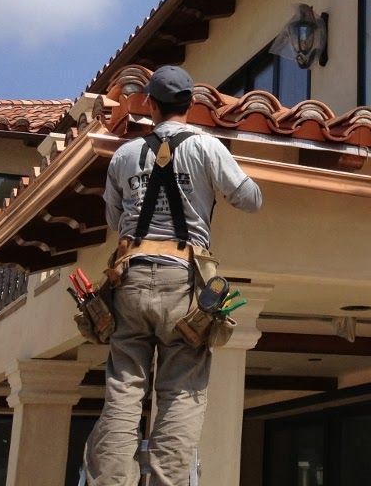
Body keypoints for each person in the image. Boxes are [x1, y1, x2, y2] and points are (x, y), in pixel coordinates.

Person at [85, 65, 263, 486]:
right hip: (184, 283)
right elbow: (251, 199)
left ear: (149, 103)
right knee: (181, 391)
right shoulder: (207, 146)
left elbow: (113, 216)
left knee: (124, 390)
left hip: (128, 279)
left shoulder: (125, 155)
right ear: (192, 103)